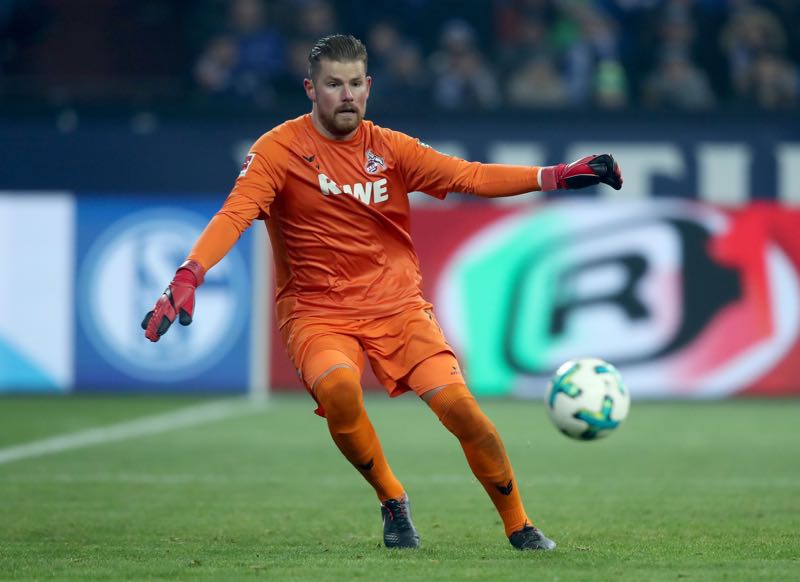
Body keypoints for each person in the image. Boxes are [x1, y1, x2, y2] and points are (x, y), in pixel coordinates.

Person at [142, 34, 622, 551]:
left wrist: (555, 176)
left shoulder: (390, 149)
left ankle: (519, 524)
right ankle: (392, 499)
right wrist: (189, 275)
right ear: (311, 89)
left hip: (397, 307)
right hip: (316, 311)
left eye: (354, 84)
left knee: (464, 412)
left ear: (368, 87)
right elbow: (234, 215)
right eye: (333, 85)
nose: (345, 95)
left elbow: (470, 176)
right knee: (340, 391)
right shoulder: (277, 151)